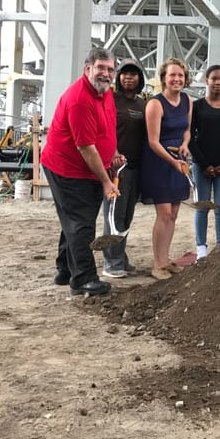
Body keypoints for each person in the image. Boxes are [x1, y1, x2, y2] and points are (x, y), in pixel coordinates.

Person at [41, 47, 122, 296]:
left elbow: (106, 128)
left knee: (73, 219)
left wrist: (114, 152)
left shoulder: (105, 93)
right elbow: (86, 147)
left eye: (110, 69)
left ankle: (65, 269)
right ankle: (83, 279)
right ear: (87, 68)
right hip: (68, 169)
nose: (106, 73)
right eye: (101, 68)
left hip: (86, 168)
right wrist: (107, 181)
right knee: (81, 224)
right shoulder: (79, 100)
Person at [141, 57, 192, 280]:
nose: (176, 79)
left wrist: (185, 144)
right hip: (159, 162)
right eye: (172, 75)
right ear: (163, 79)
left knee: (174, 213)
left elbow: (188, 129)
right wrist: (173, 161)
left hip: (178, 161)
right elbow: (153, 141)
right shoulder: (155, 104)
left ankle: (166, 258)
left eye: (180, 75)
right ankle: (157, 263)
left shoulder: (187, 100)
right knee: (164, 213)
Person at [100, 58, 146, 279]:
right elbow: (104, 130)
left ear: (140, 78)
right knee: (114, 215)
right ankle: (111, 262)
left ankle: (121, 257)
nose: (129, 77)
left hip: (136, 168)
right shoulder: (110, 99)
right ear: (118, 77)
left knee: (126, 215)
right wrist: (113, 154)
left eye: (134, 73)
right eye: (125, 73)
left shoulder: (142, 104)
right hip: (115, 168)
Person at [188, 65, 220, 259]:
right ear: (206, 81)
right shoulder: (198, 106)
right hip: (201, 165)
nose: (218, 82)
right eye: (214, 79)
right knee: (202, 207)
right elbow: (190, 138)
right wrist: (203, 164)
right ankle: (201, 248)